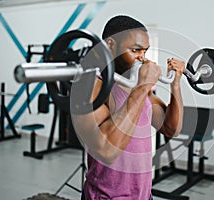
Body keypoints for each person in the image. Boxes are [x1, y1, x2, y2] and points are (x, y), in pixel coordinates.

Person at [73, 15, 185, 200]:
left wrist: (175, 85)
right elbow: (106, 150)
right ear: (110, 45)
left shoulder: (136, 84)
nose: (142, 58)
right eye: (135, 50)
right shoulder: (92, 86)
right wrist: (142, 86)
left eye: (145, 51)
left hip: (142, 195)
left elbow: (171, 129)